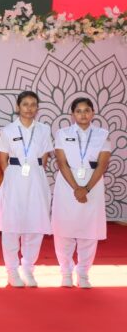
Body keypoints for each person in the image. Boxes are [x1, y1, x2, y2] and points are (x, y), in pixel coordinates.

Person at [0, 91, 54, 287]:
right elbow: (3, 159)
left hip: (36, 179)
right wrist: (12, 176)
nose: (29, 108)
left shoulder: (43, 129)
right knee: (11, 226)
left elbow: (44, 157)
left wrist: (35, 172)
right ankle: (12, 270)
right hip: (14, 179)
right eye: (25, 104)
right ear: (18, 107)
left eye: (33, 104)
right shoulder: (8, 130)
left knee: (35, 225)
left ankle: (28, 268)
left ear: (37, 108)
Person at [52, 97, 112, 288]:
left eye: (87, 110)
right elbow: (62, 163)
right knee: (64, 230)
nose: (83, 114)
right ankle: (66, 272)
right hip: (67, 184)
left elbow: (102, 165)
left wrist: (86, 188)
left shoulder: (102, 134)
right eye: (78, 111)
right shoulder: (62, 133)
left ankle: (83, 273)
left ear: (93, 113)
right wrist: (76, 188)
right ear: (72, 114)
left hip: (93, 184)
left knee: (89, 231)